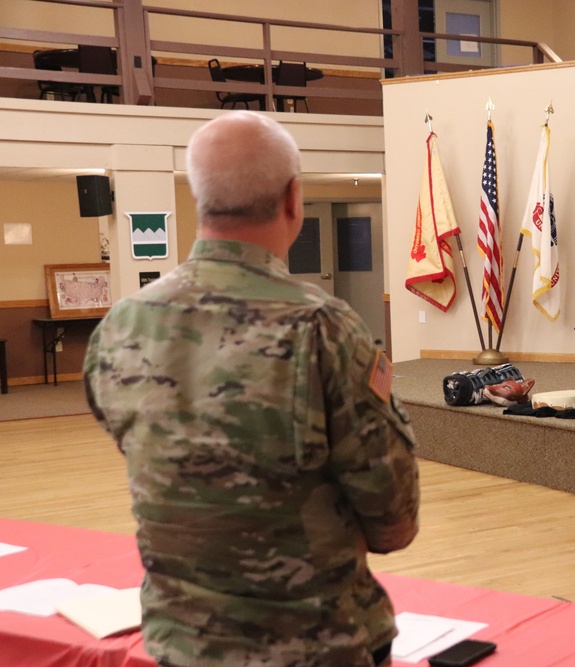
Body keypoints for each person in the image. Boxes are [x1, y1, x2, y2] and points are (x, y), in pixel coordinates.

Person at [84, 110, 419, 667]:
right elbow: (393, 521)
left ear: (199, 197)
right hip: (317, 647)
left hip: (182, 643)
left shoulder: (122, 324)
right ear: (294, 199)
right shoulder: (325, 329)